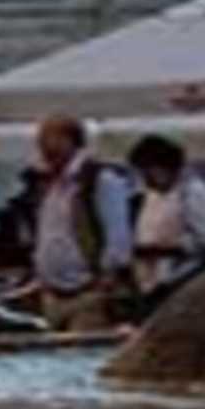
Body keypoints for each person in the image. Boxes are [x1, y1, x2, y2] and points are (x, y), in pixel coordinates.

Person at [29, 116, 133, 330]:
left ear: (71, 141)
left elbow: (118, 234)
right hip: (52, 293)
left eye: (51, 140)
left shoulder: (100, 180)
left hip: (87, 293)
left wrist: (107, 277)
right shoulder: (51, 185)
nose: (44, 149)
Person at [127, 136, 205, 306]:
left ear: (164, 167)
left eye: (147, 172)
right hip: (151, 282)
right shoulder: (154, 195)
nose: (145, 179)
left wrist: (162, 250)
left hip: (180, 281)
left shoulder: (194, 192)